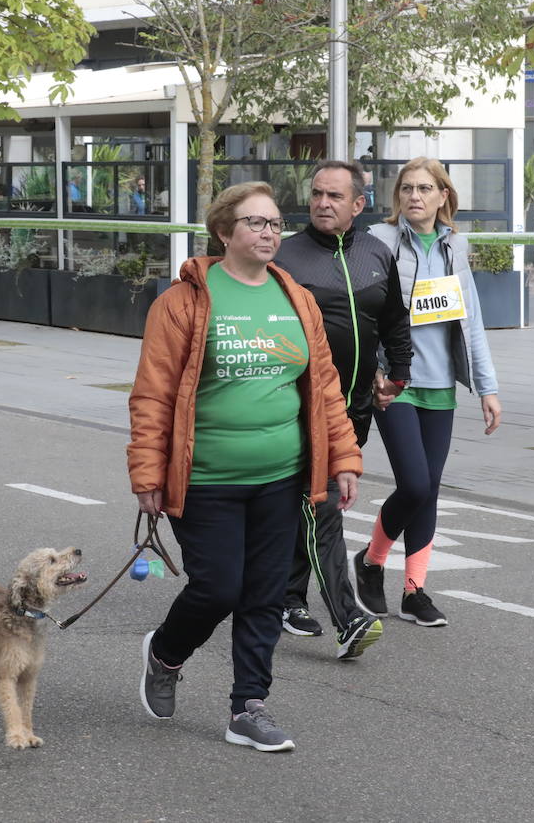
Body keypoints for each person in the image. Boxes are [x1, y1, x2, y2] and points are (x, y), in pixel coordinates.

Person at [128, 181, 362, 752]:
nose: (269, 232)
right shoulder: (184, 301)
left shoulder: (295, 297)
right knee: (217, 589)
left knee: (263, 593)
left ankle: (248, 706)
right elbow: (153, 395)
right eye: (255, 223)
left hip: (282, 475)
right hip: (206, 476)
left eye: (274, 223)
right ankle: (165, 652)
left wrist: (344, 456)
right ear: (224, 232)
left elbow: (324, 386)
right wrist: (147, 473)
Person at [272, 159, 413, 658]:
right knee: (321, 503)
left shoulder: (376, 254)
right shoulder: (286, 257)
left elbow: (395, 319)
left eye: (334, 196)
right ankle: (328, 611)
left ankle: (287, 597)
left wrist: (398, 374)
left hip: (354, 407)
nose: (322, 203)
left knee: (315, 504)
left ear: (358, 204)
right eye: (316, 194)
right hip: (297, 407)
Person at [361, 157, 502, 627]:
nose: (414, 197)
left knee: (430, 490)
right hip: (393, 382)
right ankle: (372, 560)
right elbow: (366, 309)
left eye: (424, 189)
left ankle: (415, 590)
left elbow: (472, 320)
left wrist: (487, 387)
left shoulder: (456, 246)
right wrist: (375, 367)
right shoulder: (378, 241)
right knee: (415, 484)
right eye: (406, 189)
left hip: (441, 383)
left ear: (443, 196)